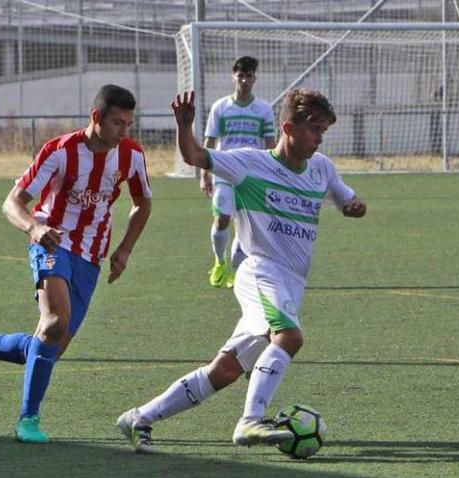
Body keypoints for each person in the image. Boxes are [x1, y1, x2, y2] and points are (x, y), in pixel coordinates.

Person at [116, 88, 367, 454]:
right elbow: (195, 155)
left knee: (226, 370)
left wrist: (353, 206)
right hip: (260, 271)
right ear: (288, 128)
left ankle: (139, 418)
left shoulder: (321, 168)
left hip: (292, 282)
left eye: (324, 131)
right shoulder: (250, 163)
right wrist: (185, 126)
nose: (319, 138)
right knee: (290, 337)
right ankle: (250, 420)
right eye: (314, 129)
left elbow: (344, 197)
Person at [0, 84, 153, 443]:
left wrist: (124, 248)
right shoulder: (60, 151)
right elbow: (12, 202)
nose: (124, 132)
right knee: (55, 322)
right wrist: (35, 227)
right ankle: (27, 420)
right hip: (52, 242)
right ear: (96, 117)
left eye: (129, 124)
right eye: (117, 123)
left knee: (48, 346)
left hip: (90, 256)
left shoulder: (131, 155)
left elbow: (142, 203)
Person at [201, 56, 277, 288]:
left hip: (252, 174)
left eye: (249, 75)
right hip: (224, 169)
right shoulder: (221, 107)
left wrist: (273, 174)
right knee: (222, 218)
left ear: (255, 78)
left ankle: (235, 270)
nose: (244, 80)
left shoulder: (263, 109)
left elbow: (271, 144)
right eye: (240, 75)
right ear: (233, 77)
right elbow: (210, 142)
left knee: (246, 225)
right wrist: (204, 174)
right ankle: (219, 261)